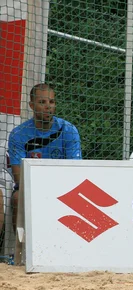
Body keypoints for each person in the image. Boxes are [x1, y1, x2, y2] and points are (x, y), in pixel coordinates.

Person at [8, 83, 82, 227]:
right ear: (31, 105)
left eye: (52, 102)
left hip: (63, 187)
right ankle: (21, 248)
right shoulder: (18, 134)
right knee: (17, 198)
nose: (48, 106)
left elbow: (76, 171)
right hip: (30, 188)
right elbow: (19, 178)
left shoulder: (69, 130)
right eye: (42, 102)